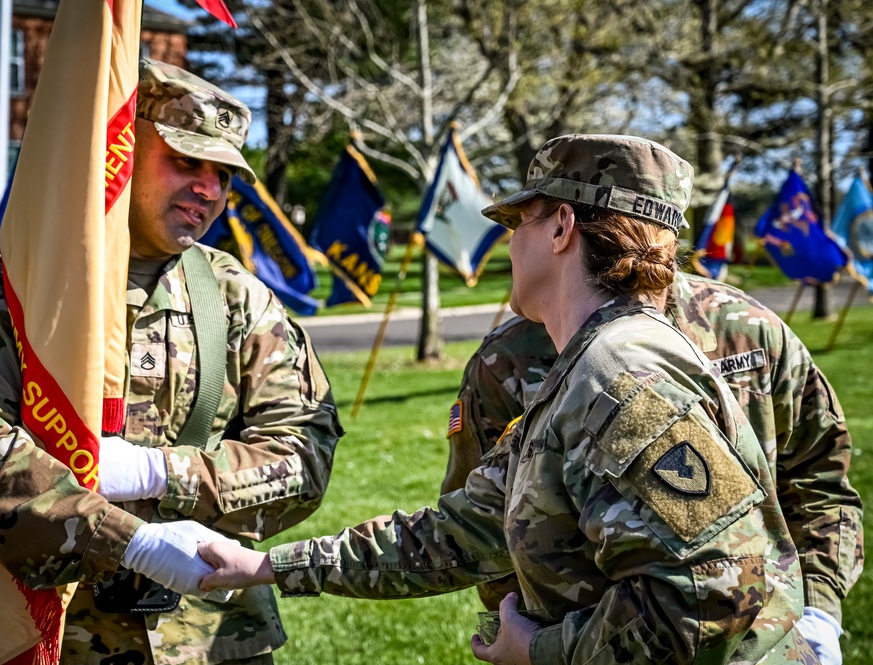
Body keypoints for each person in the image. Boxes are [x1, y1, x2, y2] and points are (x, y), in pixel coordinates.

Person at [197, 134, 818, 664]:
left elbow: (716, 591)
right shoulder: (588, 362)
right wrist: (268, 567)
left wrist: (542, 651)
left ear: (562, 227)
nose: (509, 242)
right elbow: (462, 530)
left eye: (520, 221)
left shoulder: (618, 372)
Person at [0, 59, 341, 665]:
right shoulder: (7, 287)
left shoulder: (236, 295)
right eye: (187, 161)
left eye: (223, 173)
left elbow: (304, 456)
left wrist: (159, 473)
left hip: (212, 639)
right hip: (52, 634)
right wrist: (131, 542)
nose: (210, 189)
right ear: (120, 149)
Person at [443, 271, 863, 663]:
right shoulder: (508, 360)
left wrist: (820, 613)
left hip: (768, 645)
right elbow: (479, 520)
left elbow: (817, 477)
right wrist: (537, 640)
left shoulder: (749, 328)